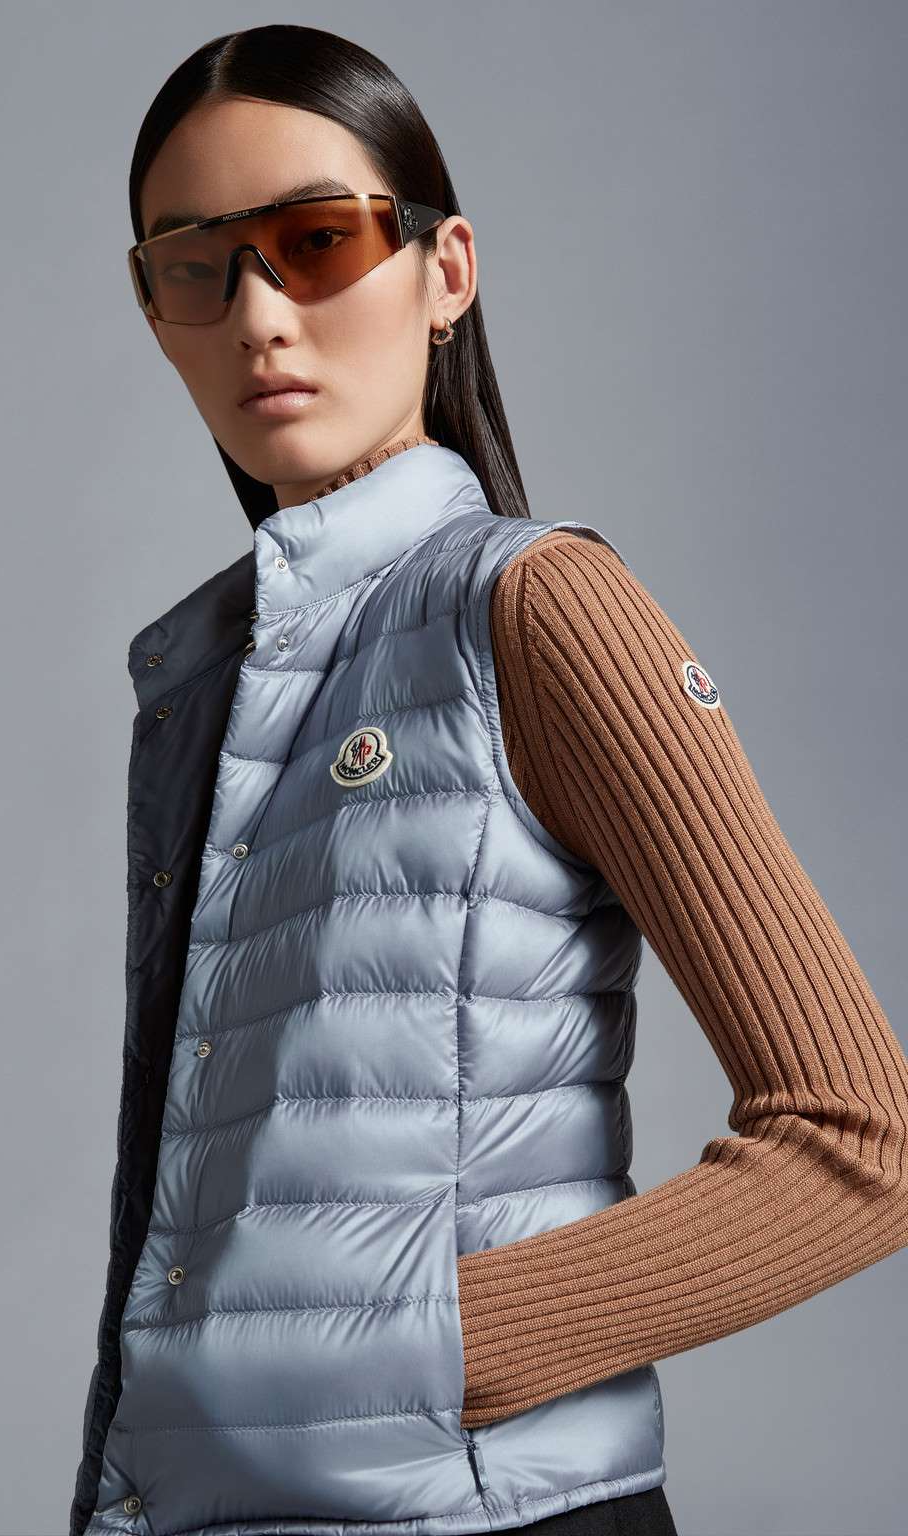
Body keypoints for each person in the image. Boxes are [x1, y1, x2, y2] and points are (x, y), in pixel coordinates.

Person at [71, 24, 908, 1536]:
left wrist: (437, 1359)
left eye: (317, 242)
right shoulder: (197, 680)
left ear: (444, 271)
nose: (259, 315)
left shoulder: (537, 610)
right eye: (196, 268)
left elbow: (861, 1141)